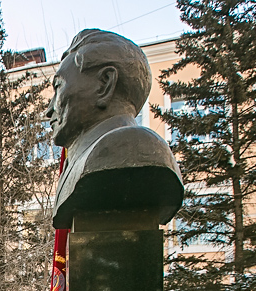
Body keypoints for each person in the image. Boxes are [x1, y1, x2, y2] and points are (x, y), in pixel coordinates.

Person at [47, 29, 182, 230]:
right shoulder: (77, 163)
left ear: (105, 84)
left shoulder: (136, 148)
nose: (49, 110)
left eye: (58, 87)